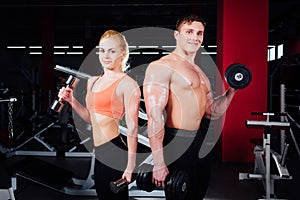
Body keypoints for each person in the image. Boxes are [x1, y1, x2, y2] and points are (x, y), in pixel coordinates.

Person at [143, 14, 236, 199]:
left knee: (198, 193)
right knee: (180, 196)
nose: (195, 37)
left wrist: (233, 88)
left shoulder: (200, 72)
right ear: (177, 35)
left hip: (199, 140)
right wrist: (159, 162)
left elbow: (212, 111)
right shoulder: (161, 66)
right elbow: (154, 116)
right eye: (189, 31)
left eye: (199, 33)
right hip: (177, 141)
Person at [58, 30, 141, 200]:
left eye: (112, 51)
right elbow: (91, 118)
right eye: (102, 51)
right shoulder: (93, 82)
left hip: (116, 150)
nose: (106, 56)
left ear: (123, 53)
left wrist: (130, 166)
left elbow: (132, 129)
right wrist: (72, 100)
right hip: (100, 151)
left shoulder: (128, 84)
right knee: (103, 195)